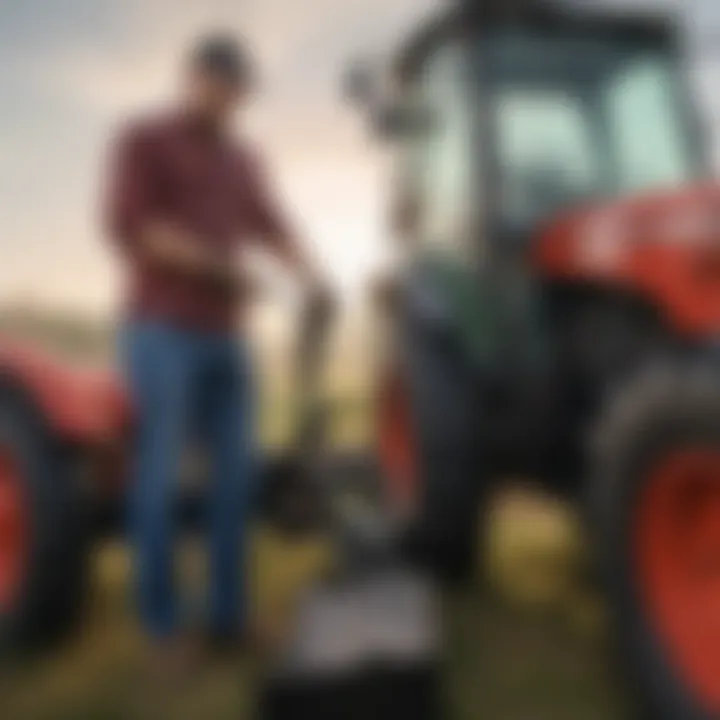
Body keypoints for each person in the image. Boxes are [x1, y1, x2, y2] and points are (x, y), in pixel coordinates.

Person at [104, 33, 328, 669]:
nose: (229, 101)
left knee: (236, 479)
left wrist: (313, 276)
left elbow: (273, 224)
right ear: (192, 77)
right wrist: (221, 272)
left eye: (239, 92)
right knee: (161, 476)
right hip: (161, 332)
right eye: (219, 85)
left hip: (226, 340)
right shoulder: (143, 140)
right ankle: (163, 627)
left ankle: (228, 617)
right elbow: (136, 232)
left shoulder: (245, 161)